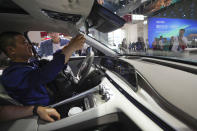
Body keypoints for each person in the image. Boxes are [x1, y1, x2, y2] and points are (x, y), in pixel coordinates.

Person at [0, 32, 85, 106]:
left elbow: (51, 63)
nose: (30, 45)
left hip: (57, 99)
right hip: (48, 109)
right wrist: (72, 47)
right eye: (25, 43)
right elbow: (45, 75)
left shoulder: (28, 64)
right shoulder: (11, 75)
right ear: (11, 50)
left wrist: (70, 46)